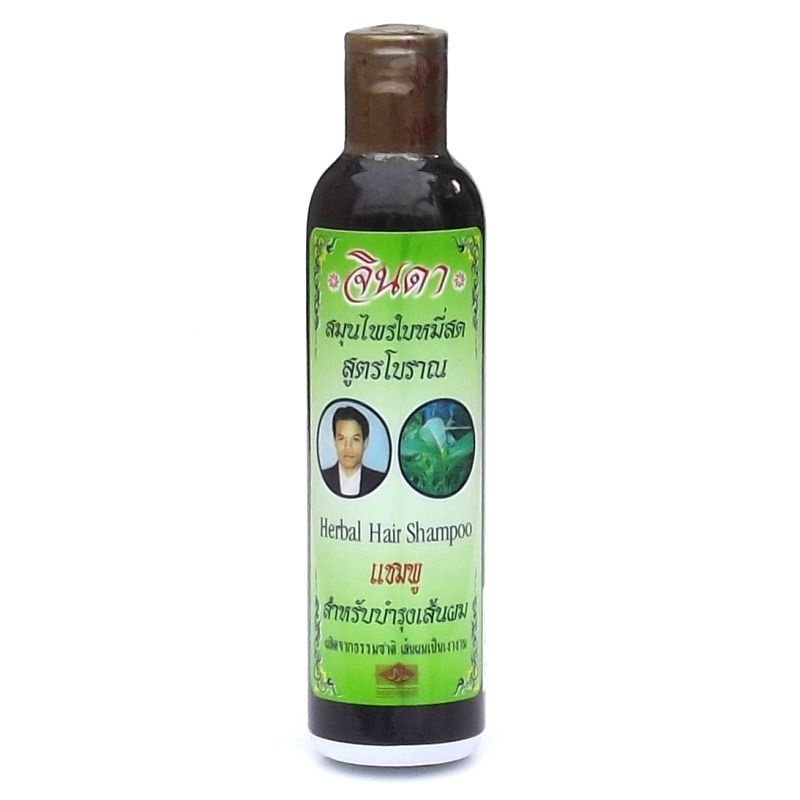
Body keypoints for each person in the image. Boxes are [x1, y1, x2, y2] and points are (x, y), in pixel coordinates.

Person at [321, 405, 386, 498]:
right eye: (341, 439)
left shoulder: (379, 480)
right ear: (335, 441)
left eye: (355, 439)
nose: (348, 447)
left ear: (365, 443)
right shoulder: (322, 478)